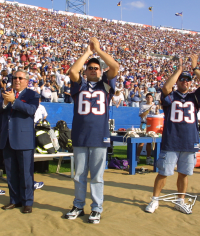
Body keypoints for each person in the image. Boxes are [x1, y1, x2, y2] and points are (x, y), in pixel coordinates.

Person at [145, 54, 200, 214]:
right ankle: (155, 200)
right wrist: (179, 70)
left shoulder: (194, 97)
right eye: (182, 79)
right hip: (172, 141)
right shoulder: (171, 96)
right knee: (163, 173)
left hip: (189, 142)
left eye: (187, 79)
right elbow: (166, 89)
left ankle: (180, 200)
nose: (185, 81)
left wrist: (195, 68)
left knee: (184, 173)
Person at [65, 37, 119, 224]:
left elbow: (115, 67)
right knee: (79, 175)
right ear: (86, 71)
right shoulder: (79, 84)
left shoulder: (105, 85)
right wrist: (88, 52)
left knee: (97, 176)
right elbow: (73, 70)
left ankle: (96, 208)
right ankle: (78, 205)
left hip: (99, 135)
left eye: (97, 68)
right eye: (90, 68)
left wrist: (99, 50)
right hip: (80, 135)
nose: (94, 70)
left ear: (100, 71)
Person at [0, 69, 40, 214]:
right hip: (7, 139)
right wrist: (4, 101)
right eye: (15, 78)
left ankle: (27, 202)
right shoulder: (6, 93)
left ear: (27, 81)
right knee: (11, 172)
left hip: (24, 140)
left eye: (20, 78)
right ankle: (14, 200)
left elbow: (31, 110)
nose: (17, 80)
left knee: (26, 173)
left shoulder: (32, 94)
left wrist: (13, 101)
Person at [136, 93, 159, 165]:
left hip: (152, 125)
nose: (149, 98)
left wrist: (156, 110)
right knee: (141, 141)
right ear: (146, 98)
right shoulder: (143, 105)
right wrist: (148, 110)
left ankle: (148, 158)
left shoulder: (155, 106)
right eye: (148, 97)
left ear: (152, 98)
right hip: (144, 124)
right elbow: (141, 115)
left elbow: (156, 116)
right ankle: (137, 157)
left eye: (150, 97)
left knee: (150, 142)